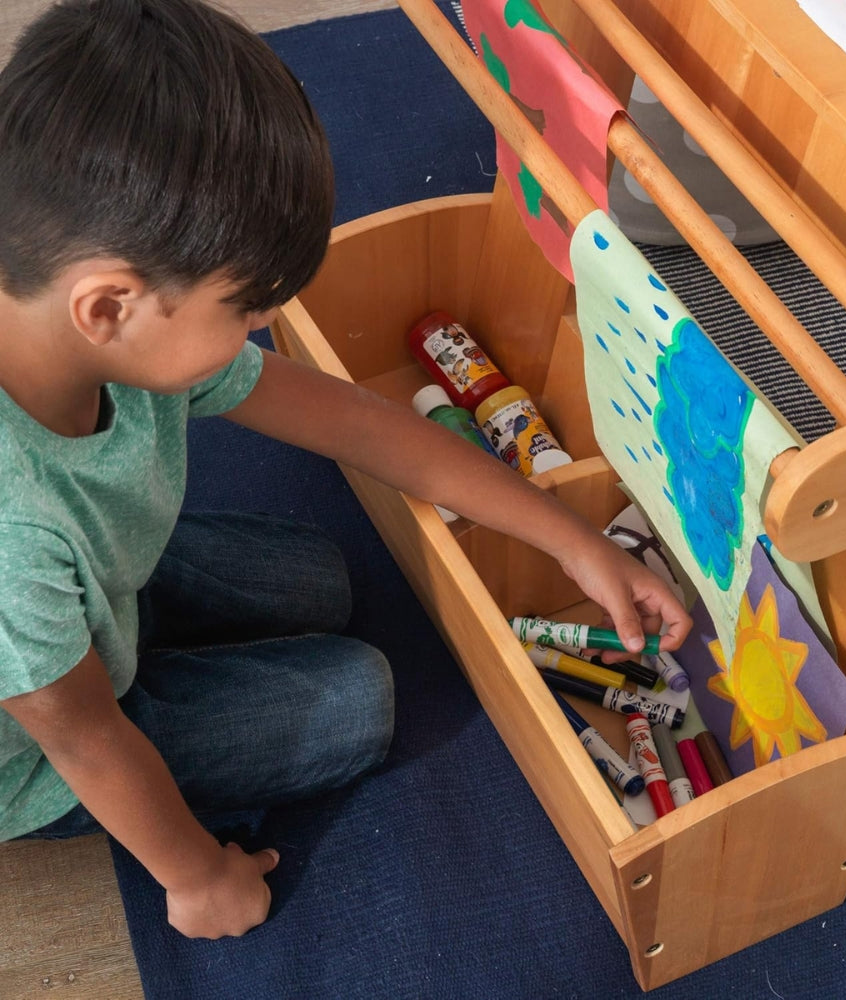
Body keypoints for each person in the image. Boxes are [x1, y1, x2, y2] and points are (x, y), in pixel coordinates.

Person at [0, 0, 692, 941]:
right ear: (109, 307)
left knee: (320, 579)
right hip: (41, 748)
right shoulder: (15, 534)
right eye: (244, 311)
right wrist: (196, 874)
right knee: (356, 703)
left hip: (87, 590)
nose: (259, 329)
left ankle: (128, 622)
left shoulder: (92, 321)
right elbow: (81, 735)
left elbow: (360, 426)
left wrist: (570, 539)